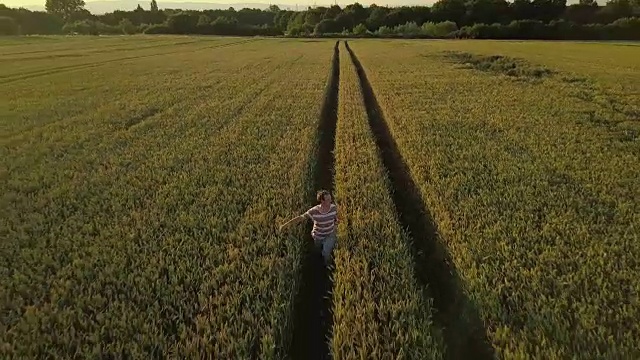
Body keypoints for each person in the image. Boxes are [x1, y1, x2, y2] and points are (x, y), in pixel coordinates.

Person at [279, 189, 339, 265]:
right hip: (318, 236)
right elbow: (301, 217)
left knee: (326, 252)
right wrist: (285, 226)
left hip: (330, 234)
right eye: (328, 200)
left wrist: (336, 225)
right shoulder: (314, 211)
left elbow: (338, 218)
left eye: (330, 199)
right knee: (318, 250)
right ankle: (318, 261)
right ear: (322, 201)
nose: (330, 201)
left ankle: (328, 266)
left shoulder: (334, 208)